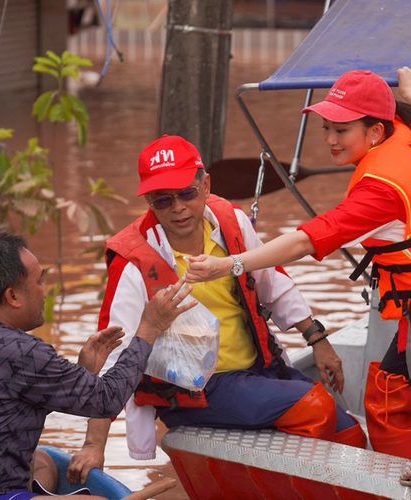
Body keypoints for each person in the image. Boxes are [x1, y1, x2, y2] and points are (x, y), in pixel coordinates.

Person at [186, 67, 411, 459]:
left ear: (376, 132)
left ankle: (400, 484)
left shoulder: (381, 192)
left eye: (342, 130)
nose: (331, 140)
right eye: (326, 128)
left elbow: (305, 240)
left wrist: (230, 264)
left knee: (386, 399)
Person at [66, 134, 364, 483]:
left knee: (349, 431)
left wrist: (318, 340)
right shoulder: (133, 260)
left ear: (205, 185)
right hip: (195, 394)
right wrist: (93, 445)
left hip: (257, 370)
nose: (177, 207)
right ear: (148, 201)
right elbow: (111, 357)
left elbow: (273, 282)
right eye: (163, 200)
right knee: (315, 406)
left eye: (187, 194)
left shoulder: (231, 222)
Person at [0, 233, 193, 499]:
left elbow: (6, 405)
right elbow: (107, 399)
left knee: (44, 463)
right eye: (39, 281)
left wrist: (84, 370)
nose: (46, 290)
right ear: (12, 296)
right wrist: (149, 327)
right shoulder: (22, 352)